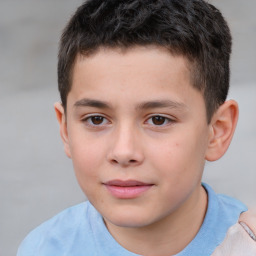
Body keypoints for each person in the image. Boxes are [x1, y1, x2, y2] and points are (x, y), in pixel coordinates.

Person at [17, 0, 256, 255]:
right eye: (96, 119)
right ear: (65, 130)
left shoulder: (247, 244)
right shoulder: (43, 249)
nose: (123, 151)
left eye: (158, 120)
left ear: (217, 131)